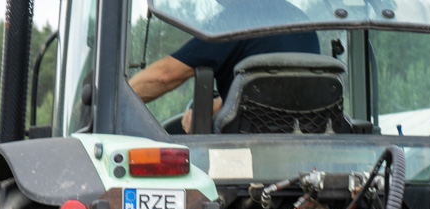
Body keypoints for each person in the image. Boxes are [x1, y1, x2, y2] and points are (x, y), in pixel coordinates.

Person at [129, 0, 320, 132]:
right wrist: (217, 106)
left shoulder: (235, 20)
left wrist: (113, 98)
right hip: (307, 138)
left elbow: (165, 75)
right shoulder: (301, 20)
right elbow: (278, 88)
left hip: (245, 145)